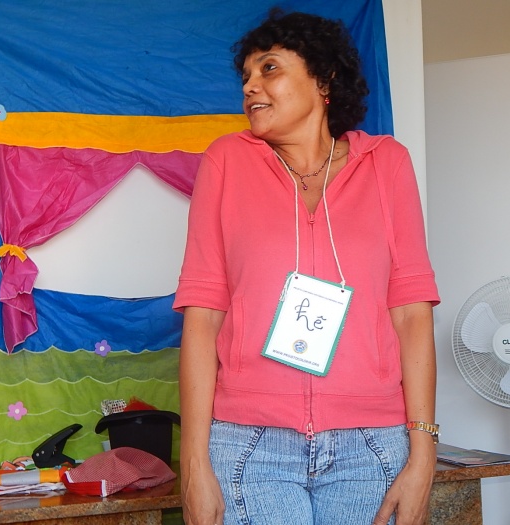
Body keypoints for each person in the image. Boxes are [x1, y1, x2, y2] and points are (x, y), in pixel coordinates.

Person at [173, 9, 440, 525]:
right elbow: (203, 315)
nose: (250, 86)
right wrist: (194, 465)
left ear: (324, 78)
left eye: (269, 68)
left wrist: (423, 453)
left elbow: (412, 313)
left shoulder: (386, 163)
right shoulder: (226, 161)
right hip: (249, 446)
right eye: (246, 76)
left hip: (372, 446)